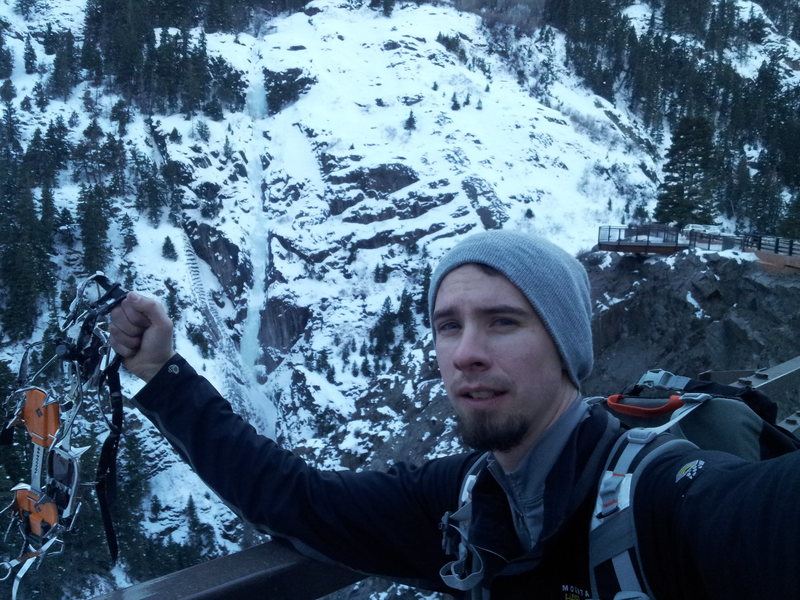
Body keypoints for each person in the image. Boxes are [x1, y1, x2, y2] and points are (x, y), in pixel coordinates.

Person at [109, 230, 800, 599]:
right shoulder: (461, 502)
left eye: (503, 322)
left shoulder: (669, 501)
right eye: (447, 326)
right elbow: (297, 498)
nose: (465, 353)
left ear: (564, 349)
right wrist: (164, 378)